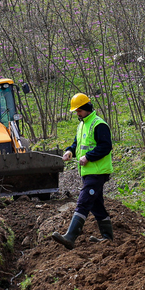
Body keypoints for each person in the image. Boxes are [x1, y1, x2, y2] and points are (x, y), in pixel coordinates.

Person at [51, 93, 114, 248]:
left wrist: (88, 157)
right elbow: (76, 144)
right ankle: (107, 238)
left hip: (97, 172)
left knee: (83, 202)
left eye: (79, 111)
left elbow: (106, 147)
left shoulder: (99, 124)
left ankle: (71, 237)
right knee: (96, 205)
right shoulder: (82, 125)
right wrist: (69, 151)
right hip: (88, 172)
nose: (77, 114)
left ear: (86, 108)